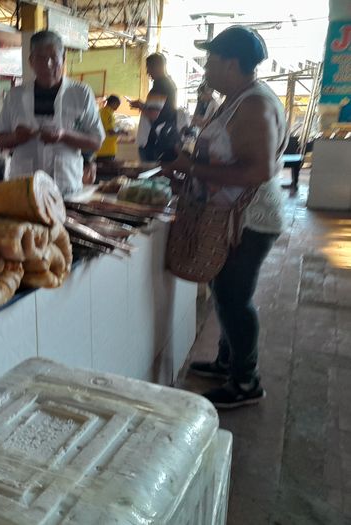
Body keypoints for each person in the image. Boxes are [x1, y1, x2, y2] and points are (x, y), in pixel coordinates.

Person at [163, 26, 287, 409]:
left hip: (249, 221)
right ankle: (227, 361)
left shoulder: (254, 106)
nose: (206, 67)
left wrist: (192, 169)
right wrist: (189, 170)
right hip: (232, 217)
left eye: (211, 60)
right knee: (223, 290)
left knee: (235, 298)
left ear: (231, 64)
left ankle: (246, 382)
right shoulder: (236, 99)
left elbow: (259, 170)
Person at [0, 30, 104, 196]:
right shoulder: (15, 95)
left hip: (66, 186)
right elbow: (0, 140)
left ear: (63, 58)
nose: (48, 64)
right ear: (31, 61)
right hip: (24, 188)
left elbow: (96, 141)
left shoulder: (81, 93)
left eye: (53, 57)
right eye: (40, 57)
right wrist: (16, 137)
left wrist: (64, 135)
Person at [130, 53, 177, 161]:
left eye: (149, 67)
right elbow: (157, 109)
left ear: (157, 66)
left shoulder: (160, 85)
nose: (148, 72)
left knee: (151, 170)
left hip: (153, 141)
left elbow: (153, 114)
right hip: (161, 139)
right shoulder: (169, 84)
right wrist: (143, 105)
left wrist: (140, 106)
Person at [96, 95, 122, 160]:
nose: (117, 107)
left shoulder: (104, 111)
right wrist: (121, 132)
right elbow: (110, 132)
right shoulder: (107, 113)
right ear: (113, 103)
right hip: (106, 150)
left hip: (105, 149)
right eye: (117, 105)